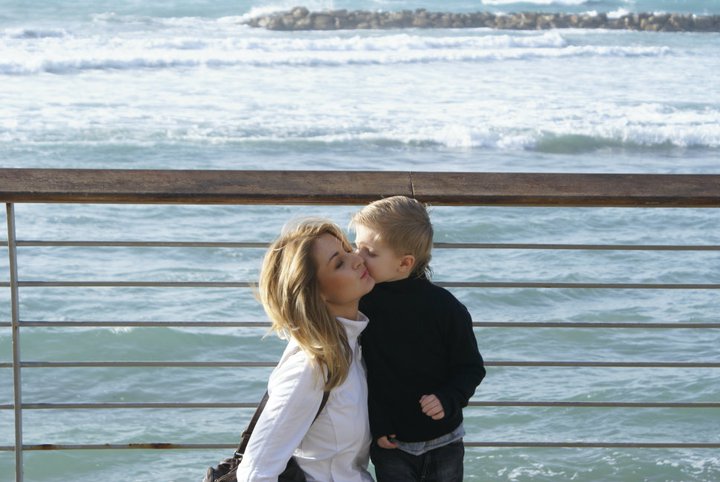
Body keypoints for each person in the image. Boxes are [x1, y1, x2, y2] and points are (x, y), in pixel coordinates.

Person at [350, 195, 486, 482]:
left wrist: (448, 398)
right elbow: (365, 373)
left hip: (445, 441)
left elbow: (471, 368)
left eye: (369, 252)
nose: (357, 257)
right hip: (391, 443)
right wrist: (377, 423)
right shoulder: (360, 303)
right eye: (356, 246)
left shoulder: (446, 308)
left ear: (404, 263)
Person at [236, 219, 376, 482]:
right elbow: (254, 473)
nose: (357, 259)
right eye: (339, 263)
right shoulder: (311, 367)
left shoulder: (350, 344)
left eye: (348, 250)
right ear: (315, 292)